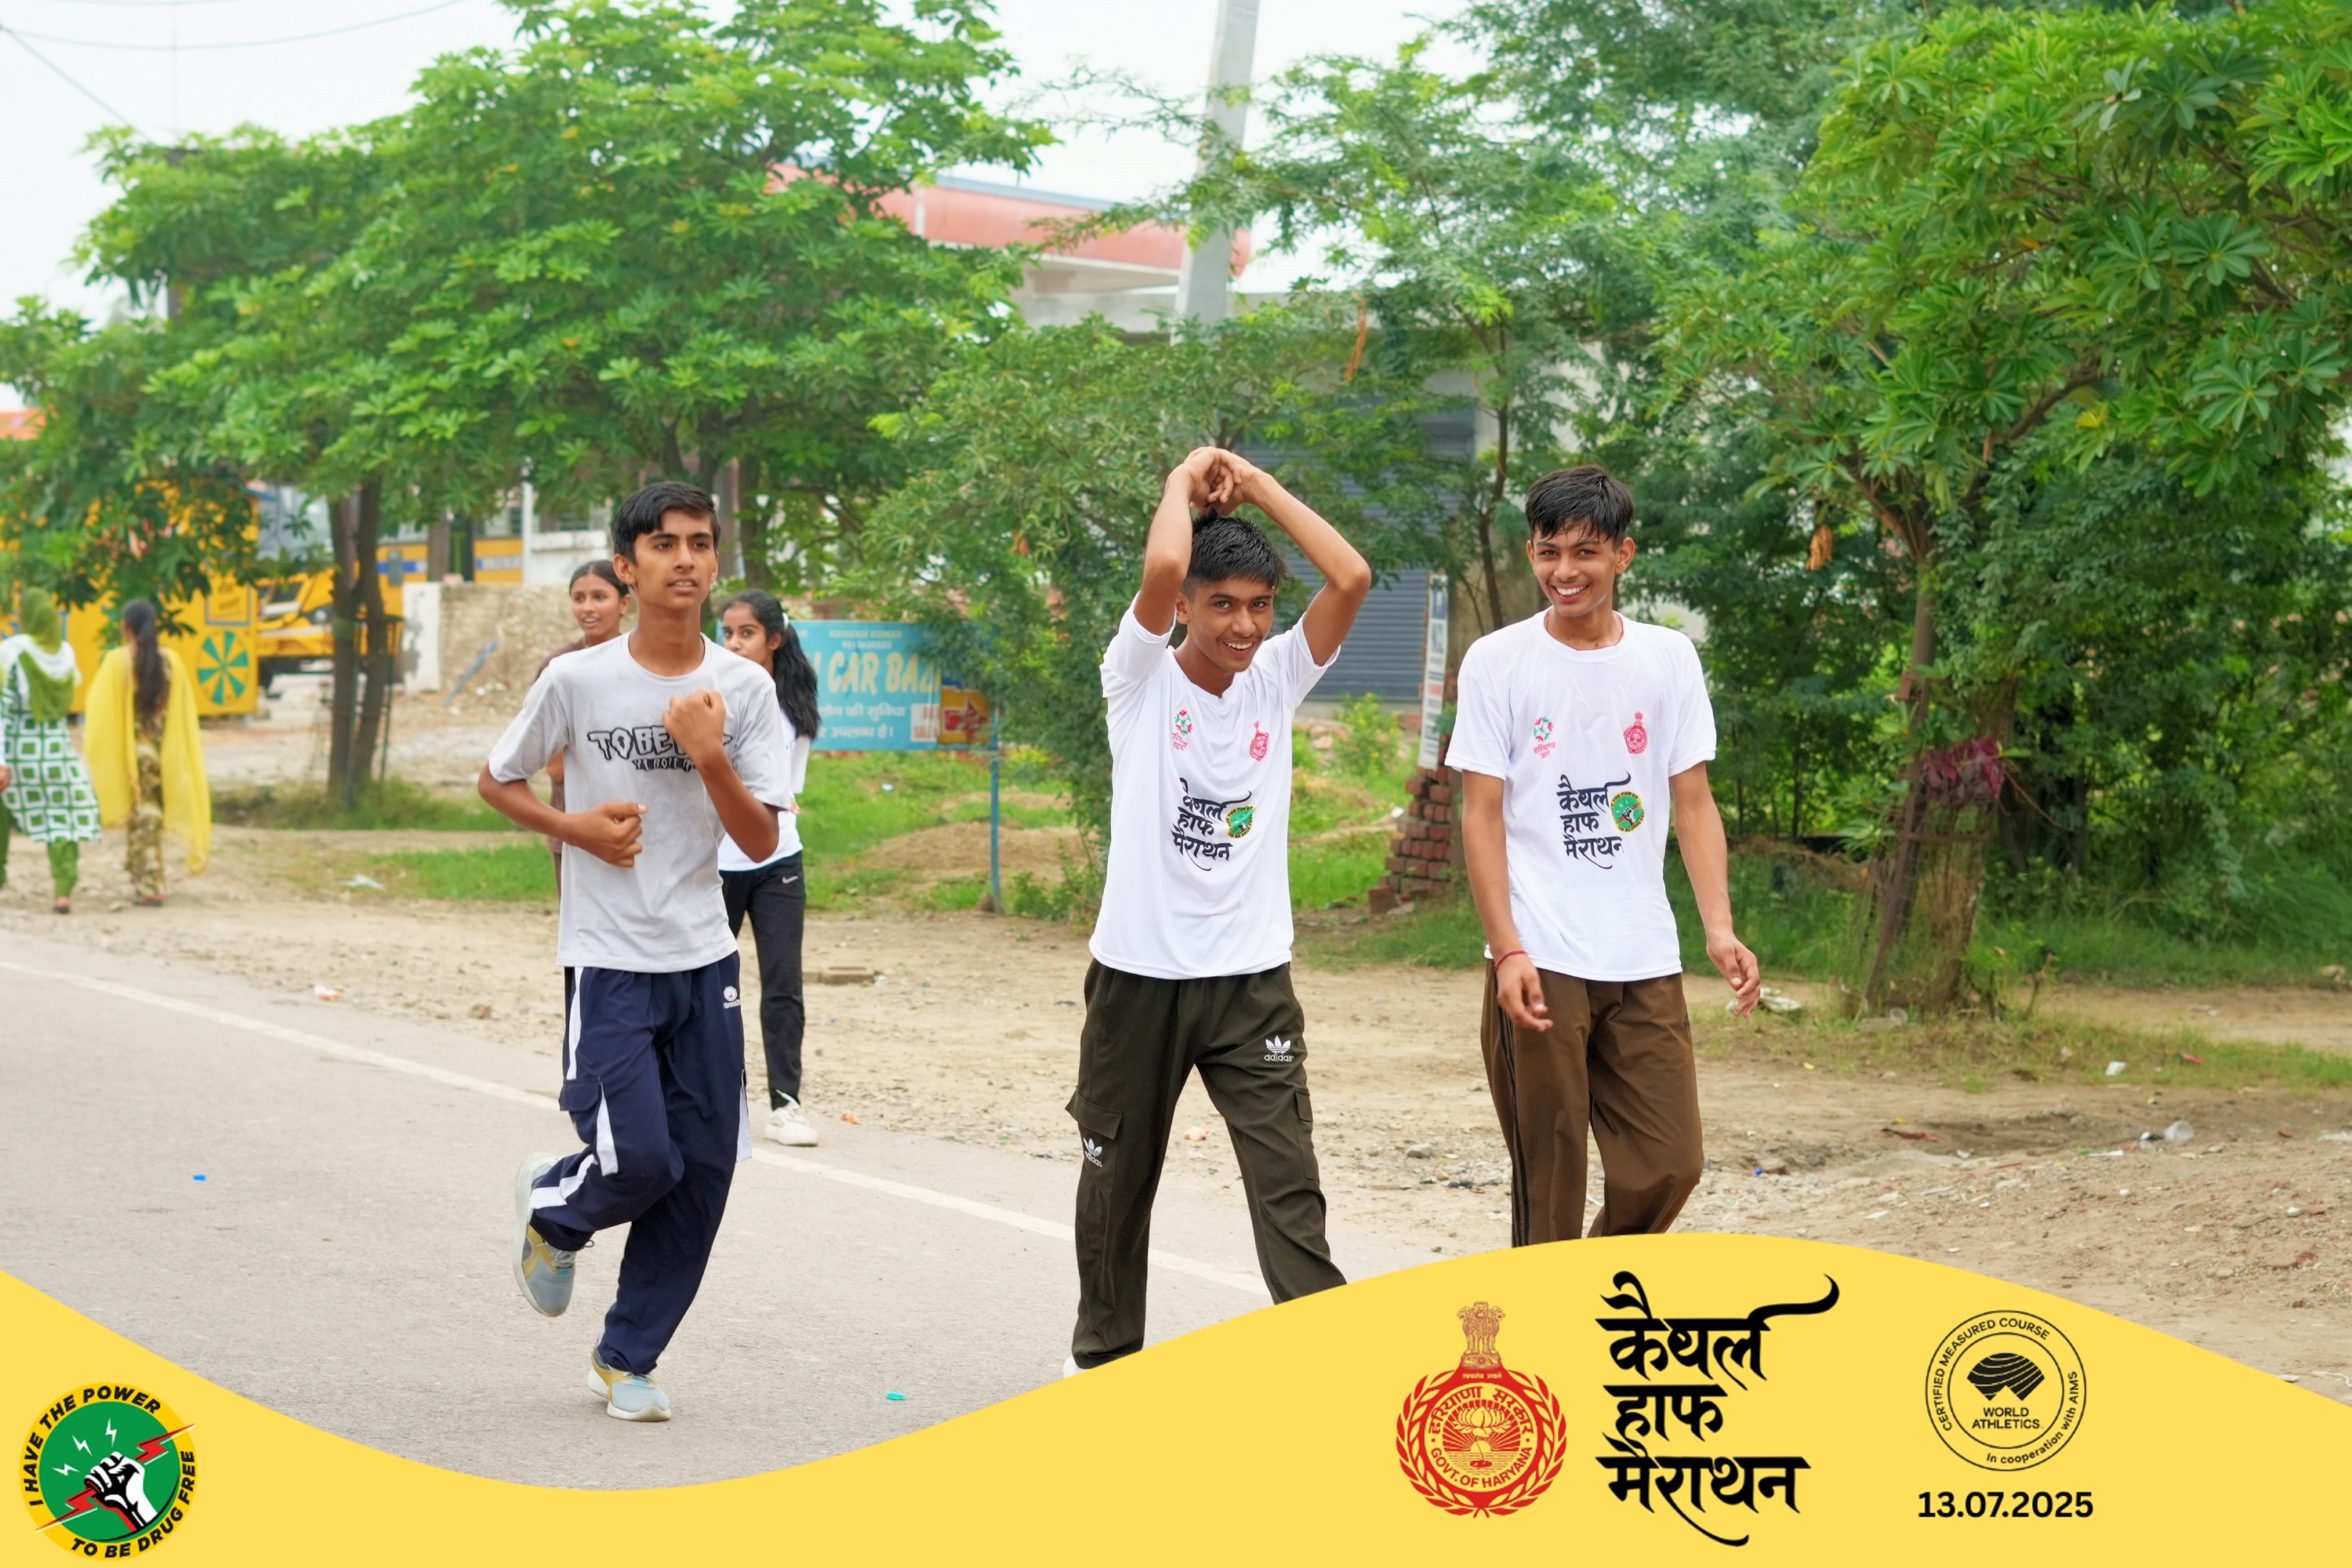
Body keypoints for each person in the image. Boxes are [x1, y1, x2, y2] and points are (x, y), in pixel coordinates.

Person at [478, 481, 793, 1424]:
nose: (685, 559)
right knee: (643, 1158)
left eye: (700, 541)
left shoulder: (744, 688)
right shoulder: (578, 680)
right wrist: (575, 827)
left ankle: (626, 1359)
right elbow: (497, 779)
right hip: (609, 957)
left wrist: (710, 754)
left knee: (704, 1170)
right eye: (664, 544)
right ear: (628, 566)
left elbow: (761, 837)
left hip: (703, 957)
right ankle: (556, 1202)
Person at [1066, 445, 1371, 1376]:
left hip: (1251, 984)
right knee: (1118, 1179)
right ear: (1185, 608)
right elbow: (1164, 562)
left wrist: (1261, 485)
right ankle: (1104, 1360)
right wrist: (1183, 479)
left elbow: (1352, 577)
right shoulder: (1138, 680)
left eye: (1260, 604)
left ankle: (1330, 1362)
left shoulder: (1277, 677)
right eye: (1223, 604)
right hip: (1138, 980)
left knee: (1289, 1183)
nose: (1244, 625)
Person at [1449, 464, 1760, 1249]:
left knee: (1670, 1164)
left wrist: (1719, 927)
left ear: (1623, 554)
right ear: (1531, 552)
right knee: (1550, 1184)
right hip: (1541, 954)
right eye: (1549, 551)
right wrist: (1507, 949)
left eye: (1585, 552)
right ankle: (1548, 1312)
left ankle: (1582, 1282)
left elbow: (1694, 801)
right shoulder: (1497, 660)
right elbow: (1480, 815)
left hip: (1642, 952)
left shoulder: (1668, 658)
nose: (1565, 571)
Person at [716, 589, 820, 1148]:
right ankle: (715, 1100)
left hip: (780, 861)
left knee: (783, 984)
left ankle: (787, 1104)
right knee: (712, 985)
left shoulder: (794, 705)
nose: (734, 643)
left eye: (747, 633)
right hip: (717, 864)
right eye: (728, 633)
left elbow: (788, 789)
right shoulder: (712, 696)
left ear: (774, 640)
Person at [536, 561, 633, 1025]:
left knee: (637, 952)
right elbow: (554, 763)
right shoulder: (559, 669)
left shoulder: (643, 662)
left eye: (600, 597)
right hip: (573, 830)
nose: (588, 608)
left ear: (625, 603)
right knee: (585, 951)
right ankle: (583, 1047)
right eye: (579, 598)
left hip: (635, 829)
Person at [85, 600, 210, 907]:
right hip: (164, 751)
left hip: (135, 755)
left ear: (125, 627)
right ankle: (147, 876)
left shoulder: (118, 662)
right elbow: (181, 710)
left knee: (142, 819)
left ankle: (150, 884)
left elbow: (100, 712)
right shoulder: (171, 662)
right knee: (151, 817)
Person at [0, 587, 103, 913]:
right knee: (63, 817)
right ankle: (63, 889)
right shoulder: (67, 653)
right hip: (56, 749)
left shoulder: (12, 651)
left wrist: (1, 759)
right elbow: (74, 685)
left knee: (2, 813)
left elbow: (2, 709)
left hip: (17, 749)